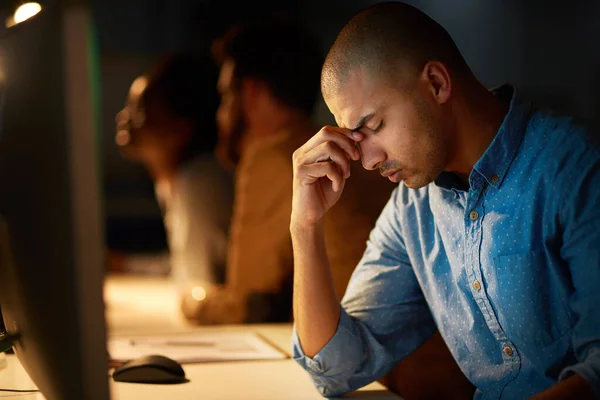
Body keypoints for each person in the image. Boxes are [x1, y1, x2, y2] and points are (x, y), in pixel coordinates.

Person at [291, 2, 600, 399]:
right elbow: (335, 369)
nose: (368, 161)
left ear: (436, 83)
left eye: (373, 127)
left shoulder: (574, 167)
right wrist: (304, 226)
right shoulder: (412, 208)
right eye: (355, 140)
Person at [179, 20, 395, 325]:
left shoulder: (273, 157)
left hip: (357, 348)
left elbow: (243, 303)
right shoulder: (361, 146)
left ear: (251, 93)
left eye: (226, 97)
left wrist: (193, 300)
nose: (221, 116)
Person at [115, 53, 234, 299]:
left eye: (140, 110)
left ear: (181, 129)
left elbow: (197, 281)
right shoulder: (174, 181)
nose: (123, 119)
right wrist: (125, 265)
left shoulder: (198, 183)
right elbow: (182, 266)